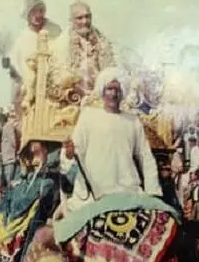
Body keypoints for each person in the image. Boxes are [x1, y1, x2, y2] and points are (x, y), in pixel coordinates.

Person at [61, 67, 162, 212]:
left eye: (117, 90)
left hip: (127, 191)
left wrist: (152, 192)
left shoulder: (133, 121)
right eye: (109, 89)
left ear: (122, 93)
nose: (113, 94)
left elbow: (146, 157)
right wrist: (69, 155)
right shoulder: (88, 116)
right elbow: (74, 153)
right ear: (103, 91)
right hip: (94, 193)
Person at [52, 2, 115, 98]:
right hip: (72, 95)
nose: (85, 21)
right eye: (79, 18)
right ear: (71, 20)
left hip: (99, 95)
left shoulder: (101, 39)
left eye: (87, 17)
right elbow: (59, 76)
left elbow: (109, 69)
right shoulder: (62, 43)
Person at [11, 0, 62, 104]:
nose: (38, 15)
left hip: (55, 80)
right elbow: (19, 67)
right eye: (33, 12)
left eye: (41, 11)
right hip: (31, 85)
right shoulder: (22, 40)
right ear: (27, 14)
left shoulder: (55, 30)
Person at [1, 109, 20, 188]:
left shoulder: (10, 126)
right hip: (9, 154)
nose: (14, 119)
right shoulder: (9, 127)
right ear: (8, 118)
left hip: (10, 153)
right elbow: (13, 141)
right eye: (12, 117)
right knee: (9, 173)